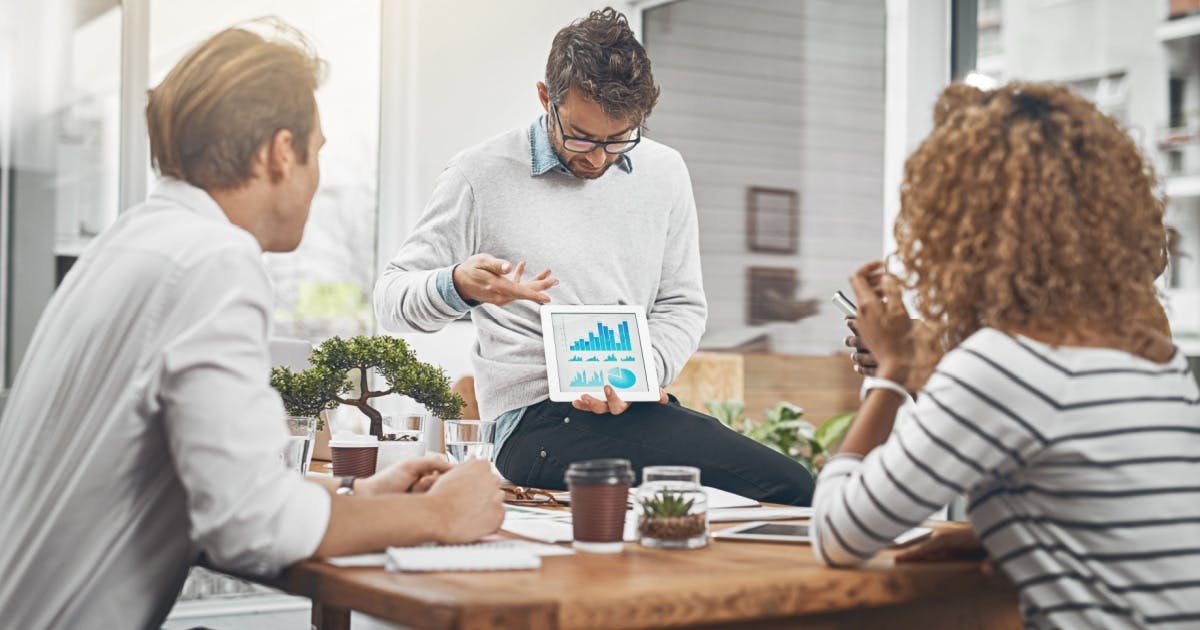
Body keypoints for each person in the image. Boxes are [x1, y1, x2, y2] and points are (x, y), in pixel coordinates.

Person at [0, 21, 504, 629]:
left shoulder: (132, 241)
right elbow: (248, 524)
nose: (317, 177)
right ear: (278, 151)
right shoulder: (215, 261)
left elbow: (219, 488)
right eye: (316, 153)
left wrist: (363, 498)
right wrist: (440, 516)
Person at [374, 7, 814, 505]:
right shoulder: (479, 175)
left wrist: (643, 372)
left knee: (748, 492)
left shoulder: (665, 172)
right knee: (789, 486)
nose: (599, 158)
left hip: (630, 408)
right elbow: (389, 300)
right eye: (581, 137)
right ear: (546, 98)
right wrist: (457, 284)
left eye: (619, 139)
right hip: (531, 423)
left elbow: (681, 306)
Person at [809, 82, 1200, 628]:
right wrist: (993, 536)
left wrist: (893, 372)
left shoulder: (1005, 364)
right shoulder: (1157, 358)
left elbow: (836, 534)